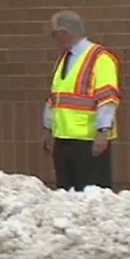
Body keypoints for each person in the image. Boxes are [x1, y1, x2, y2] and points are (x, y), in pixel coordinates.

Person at [40, 11, 122, 190]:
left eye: (55, 34)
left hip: (88, 140)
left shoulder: (100, 58)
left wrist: (102, 132)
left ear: (64, 32)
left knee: (91, 193)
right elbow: (54, 98)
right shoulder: (65, 59)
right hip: (64, 138)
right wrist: (48, 128)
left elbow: (107, 99)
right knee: (67, 191)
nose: (54, 39)